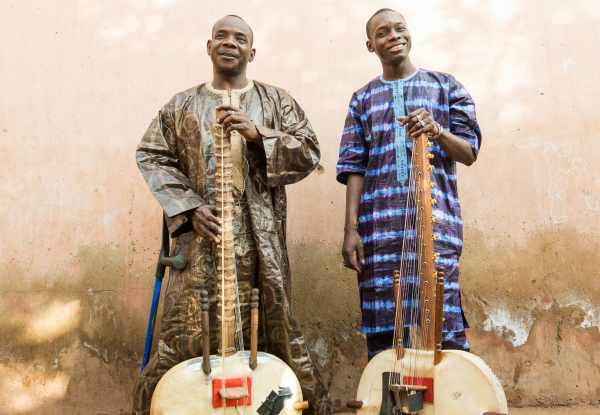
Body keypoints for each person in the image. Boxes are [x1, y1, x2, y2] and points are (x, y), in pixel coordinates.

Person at [133, 15, 333, 415]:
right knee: (183, 331)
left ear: (251, 52)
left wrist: (258, 134)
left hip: (261, 247)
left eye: (239, 38)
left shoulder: (276, 101)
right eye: (220, 36)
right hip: (200, 245)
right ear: (208, 48)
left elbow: (309, 152)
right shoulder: (181, 105)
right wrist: (190, 208)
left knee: (272, 327)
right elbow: (151, 154)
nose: (229, 42)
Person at [337, 8, 481, 360]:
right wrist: (351, 229)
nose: (393, 36)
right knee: (385, 331)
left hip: (435, 224)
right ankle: (391, 392)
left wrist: (437, 129)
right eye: (382, 32)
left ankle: (451, 391)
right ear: (370, 45)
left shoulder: (446, 87)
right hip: (379, 230)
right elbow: (354, 166)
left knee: (444, 324)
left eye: (399, 28)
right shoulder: (362, 99)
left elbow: (469, 152)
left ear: (409, 33)